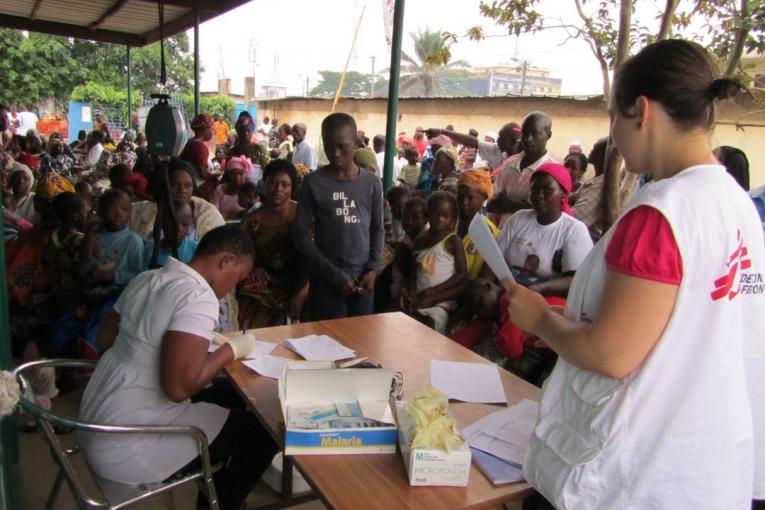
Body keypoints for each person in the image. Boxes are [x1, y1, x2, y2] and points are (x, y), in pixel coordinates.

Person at [506, 40, 764, 509]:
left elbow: (610, 352)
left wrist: (540, 318)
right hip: (705, 469)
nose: (615, 136)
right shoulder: (735, 204)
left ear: (641, 111)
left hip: (635, 475)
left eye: (614, 117)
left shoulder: (660, 216)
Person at [79, 225, 278, 510]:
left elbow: (105, 339)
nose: (232, 287)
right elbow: (178, 388)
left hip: (95, 419)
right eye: (238, 278)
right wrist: (230, 350)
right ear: (226, 261)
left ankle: (215, 484)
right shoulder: (198, 296)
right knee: (261, 433)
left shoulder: (148, 278)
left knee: (232, 395)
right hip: (126, 445)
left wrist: (154, 351)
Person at [293, 113, 384, 320]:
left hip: (363, 281)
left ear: (356, 143)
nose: (335, 154)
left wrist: (373, 268)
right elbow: (301, 236)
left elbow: (377, 229)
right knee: (327, 343)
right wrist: (334, 276)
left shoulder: (371, 183)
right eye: (329, 145)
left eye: (342, 146)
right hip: (326, 281)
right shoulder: (313, 183)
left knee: (360, 342)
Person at [239, 160, 308, 327]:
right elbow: (239, 252)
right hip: (263, 286)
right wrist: (251, 268)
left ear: (292, 188)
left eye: (284, 184)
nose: (278, 189)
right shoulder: (252, 221)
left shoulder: (305, 217)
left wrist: (303, 292)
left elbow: (317, 258)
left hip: (301, 284)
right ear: (265, 184)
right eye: (273, 183)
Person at [401, 192, 467, 334]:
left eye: (445, 216)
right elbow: (414, 273)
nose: (439, 219)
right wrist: (411, 293)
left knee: (430, 327)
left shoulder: (453, 241)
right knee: (406, 324)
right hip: (419, 298)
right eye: (434, 214)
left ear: (452, 219)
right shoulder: (420, 241)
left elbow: (462, 274)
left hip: (441, 300)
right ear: (427, 215)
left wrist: (435, 291)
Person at [488, 112, 554, 216]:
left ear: (548, 135)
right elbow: (493, 203)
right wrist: (523, 206)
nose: (528, 139)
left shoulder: (552, 171)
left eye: (535, 133)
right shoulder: (509, 164)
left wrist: (507, 203)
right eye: (525, 133)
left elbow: (542, 212)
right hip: (504, 230)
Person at [426, 122, 521, 172]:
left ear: (514, 141)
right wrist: (441, 131)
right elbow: (472, 141)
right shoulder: (497, 150)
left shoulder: (524, 162)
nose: (498, 141)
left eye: (503, 138)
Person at [456, 169, 497, 280]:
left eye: (470, 198)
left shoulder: (487, 232)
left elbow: (476, 276)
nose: (464, 202)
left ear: (483, 198)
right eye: (460, 196)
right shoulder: (451, 221)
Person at [143, 199, 198, 269]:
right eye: (173, 223)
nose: (179, 229)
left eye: (185, 224)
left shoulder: (195, 250)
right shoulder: (150, 252)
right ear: (162, 222)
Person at [570, 137, 607, 239]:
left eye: (595, 148)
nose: (591, 150)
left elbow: (575, 217)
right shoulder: (595, 181)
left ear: (602, 155)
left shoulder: (601, 185)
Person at [180, 113, 215, 187]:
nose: (213, 132)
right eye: (211, 128)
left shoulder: (190, 142)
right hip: (198, 188)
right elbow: (202, 174)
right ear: (205, 129)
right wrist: (216, 175)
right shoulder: (200, 147)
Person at [210, 156, 250, 220]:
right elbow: (214, 211)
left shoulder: (250, 190)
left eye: (240, 173)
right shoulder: (220, 189)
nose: (237, 177)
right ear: (228, 175)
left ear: (245, 174)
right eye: (233, 174)